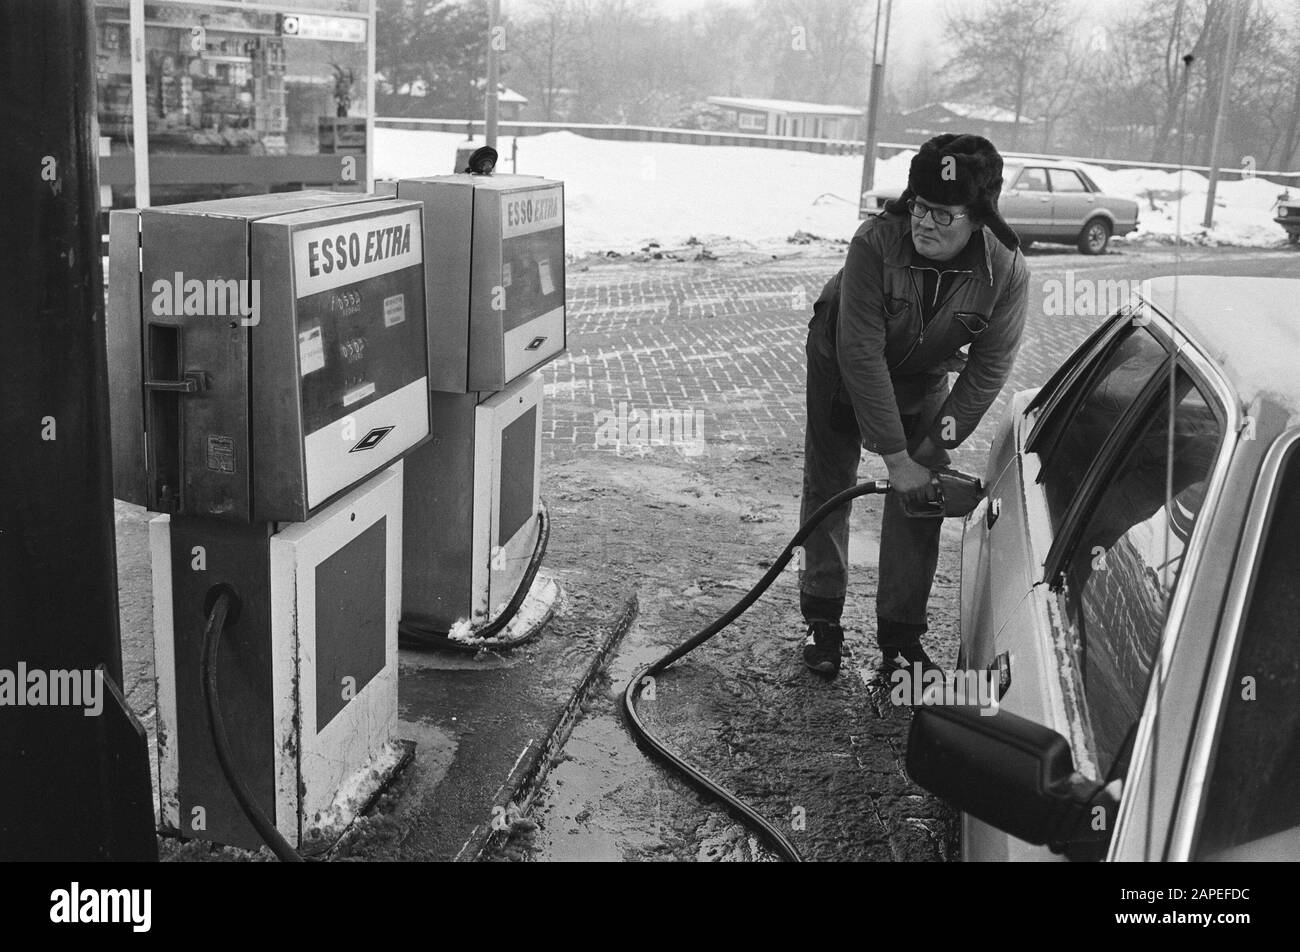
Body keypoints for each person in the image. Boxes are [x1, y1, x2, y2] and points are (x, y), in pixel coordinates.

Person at [799, 133, 1031, 678]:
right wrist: (895, 458)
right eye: (919, 208)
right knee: (829, 485)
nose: (924, 223)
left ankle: (901, 635)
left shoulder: (1008, 272)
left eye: (943, 214)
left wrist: (929, 450)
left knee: (922, 494)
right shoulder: (874, 244)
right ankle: (823, 618)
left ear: (979, 219)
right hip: (841, 360)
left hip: (925, 370)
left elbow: (988, 368)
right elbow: (861, 354)